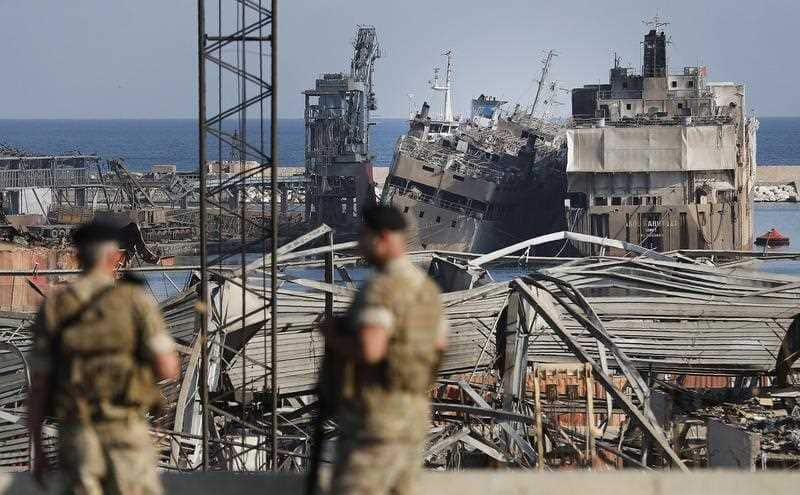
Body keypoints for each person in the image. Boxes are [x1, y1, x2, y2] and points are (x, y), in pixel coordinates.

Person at [27, 218, 180, 494]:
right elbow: (168, 368)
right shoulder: (136, 301)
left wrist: (38, 450)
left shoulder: (54, 308)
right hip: (126, 434)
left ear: (76, 258)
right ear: (115, 257)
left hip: (77, 438)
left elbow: (38, 387)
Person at [321, 205, 448, 495]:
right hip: (414, 418)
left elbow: (371, 351)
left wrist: (332, 335)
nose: (358, 245)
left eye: (364, 237)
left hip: (375, 421)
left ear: (384, 238)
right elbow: (439, 347)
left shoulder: (382, 288)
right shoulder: (427, 289)